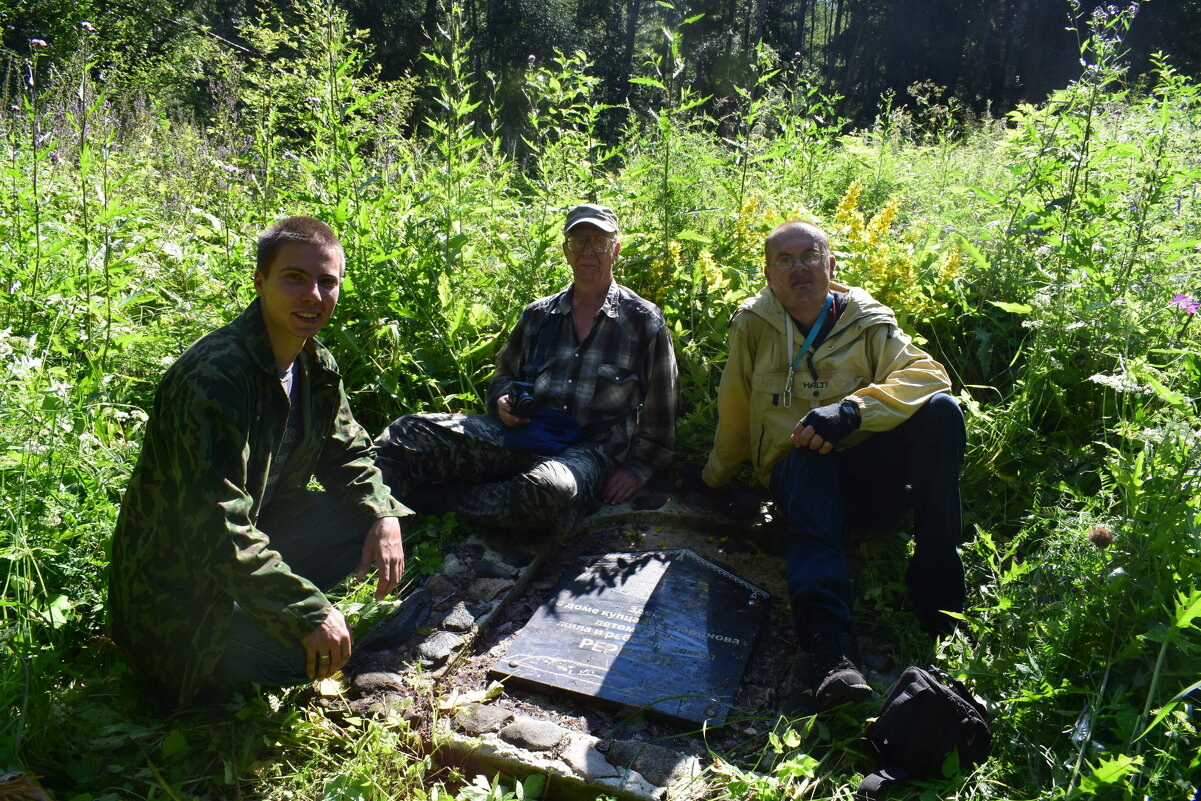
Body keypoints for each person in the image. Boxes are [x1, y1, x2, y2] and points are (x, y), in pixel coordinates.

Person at [109, 216, 410, 707]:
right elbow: (215, 527)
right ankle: (210, 660)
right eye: (294, 278)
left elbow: (347, 451)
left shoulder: (315, 363)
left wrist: (382, 514)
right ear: (260, 282)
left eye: (327, 282)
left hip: (253, 537)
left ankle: (263, 610)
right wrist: (305, 612)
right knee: (304, 660)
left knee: (374, 530)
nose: (313, 295)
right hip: (177, 591)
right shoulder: (215, 380)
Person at [681, 220, 966, 711]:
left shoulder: (867, 320)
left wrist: (854, 411)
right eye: (785, 261)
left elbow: (929, 375)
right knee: (810, 455)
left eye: (810, 256)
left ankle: (938, 590)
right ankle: (831, 648)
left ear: (830, 266)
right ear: (768, 275)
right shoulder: (753, 324)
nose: (799, 269)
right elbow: (735, 408)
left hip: (872, 487)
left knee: (942, 412)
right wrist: (713, 479)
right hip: (800, 482)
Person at [374, 204, 678, 534]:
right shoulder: (539, 315)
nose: (588, 252)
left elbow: (664, 408)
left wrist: (637, 467)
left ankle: (435, 501)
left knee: (550, 490)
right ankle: (370, 513)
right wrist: (503, 401)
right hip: (523, 433)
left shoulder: (643, 321)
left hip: (592, 450)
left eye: (599, 242)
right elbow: (503, 375)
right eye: (578, 242)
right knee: (407, 433)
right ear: (566, 251)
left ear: (615, 250)